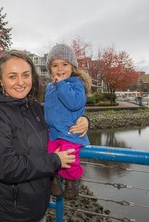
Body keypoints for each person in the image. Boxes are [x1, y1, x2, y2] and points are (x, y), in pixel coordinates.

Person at [0, 50, 89, 222]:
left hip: (36, 212)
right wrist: (55, 160)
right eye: (12, 76)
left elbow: (61, 118)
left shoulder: (35, 108)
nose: (21, 82)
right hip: (5, 215)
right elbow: (6, 167)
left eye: (26, 75)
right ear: (0, 80)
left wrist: (85, 120)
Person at [44, 44, 91, 200]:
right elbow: (49, 109)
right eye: (55, 65)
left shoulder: (76, 84)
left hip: (71, 133)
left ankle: (73, 180)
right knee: (49, 154)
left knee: (69, 157)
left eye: (65, 64)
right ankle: (54, 178)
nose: (60, 68)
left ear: (72, 67)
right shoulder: (50, 86)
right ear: (50, 68)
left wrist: (62, 84)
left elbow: (74, 104)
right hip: (54, 132)